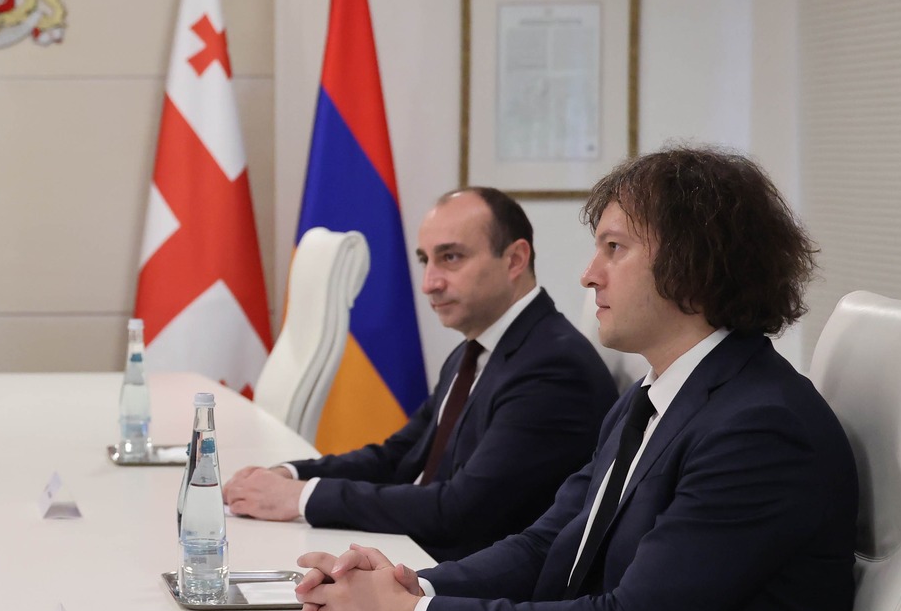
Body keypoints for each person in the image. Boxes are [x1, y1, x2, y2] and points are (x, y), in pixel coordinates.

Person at [293, 147, 856, 611]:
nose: (589, 274)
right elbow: (546, 546)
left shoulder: (759, 428)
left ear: (695, 264)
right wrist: (409, 585)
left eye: (614, 248)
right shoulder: (655, 397)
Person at [224, 187, 617, 560]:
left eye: (451, 257)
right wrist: (289, 475)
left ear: (514, 259)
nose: (430, 283)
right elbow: (398, 457)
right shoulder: (476, 349)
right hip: (425, 554)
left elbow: (460, 511)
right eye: (425, 260)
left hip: (472, 583)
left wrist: (300, 498)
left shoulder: (553, 367)